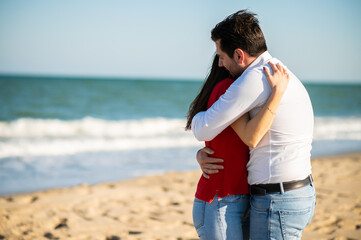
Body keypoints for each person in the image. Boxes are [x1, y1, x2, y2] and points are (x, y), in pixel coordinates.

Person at [191, 10, 316, 240]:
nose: (220, 63)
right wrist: (201, 154)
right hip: (300, 192)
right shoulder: (283, 71)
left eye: (222, 56)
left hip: (277, 200)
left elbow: (202, 128)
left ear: (239, 55)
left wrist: (198, 117)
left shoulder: (253, 79)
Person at [186, 53, 290, 239]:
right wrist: (277, 93)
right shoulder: (228, 89)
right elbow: (251, 137)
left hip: (236, 198)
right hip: (220, 200)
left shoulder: (234, 91)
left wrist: (200, 154)